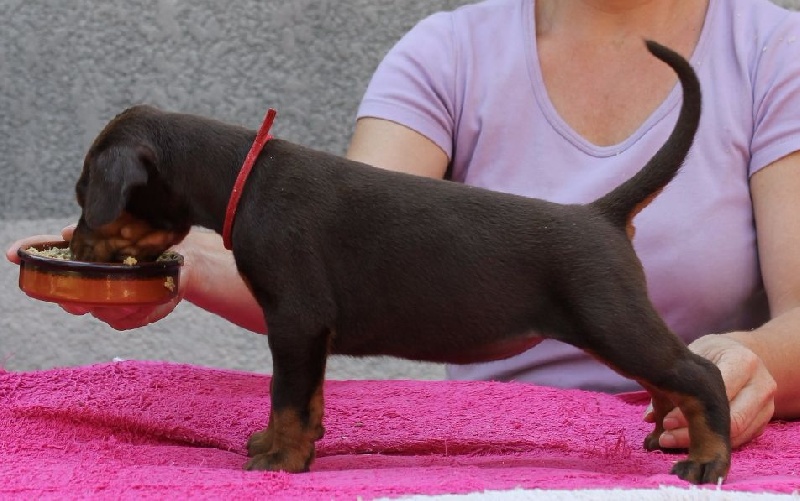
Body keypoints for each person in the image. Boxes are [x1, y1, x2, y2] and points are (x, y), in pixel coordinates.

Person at [8, 0, 800, 453]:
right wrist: (167, 270)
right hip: (481, 449)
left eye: (102, 214)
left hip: (655, 432)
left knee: (649, 350)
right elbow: (320, 280)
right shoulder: (446, 52)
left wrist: (751, 362)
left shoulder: (774, 52)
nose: (99, 229)